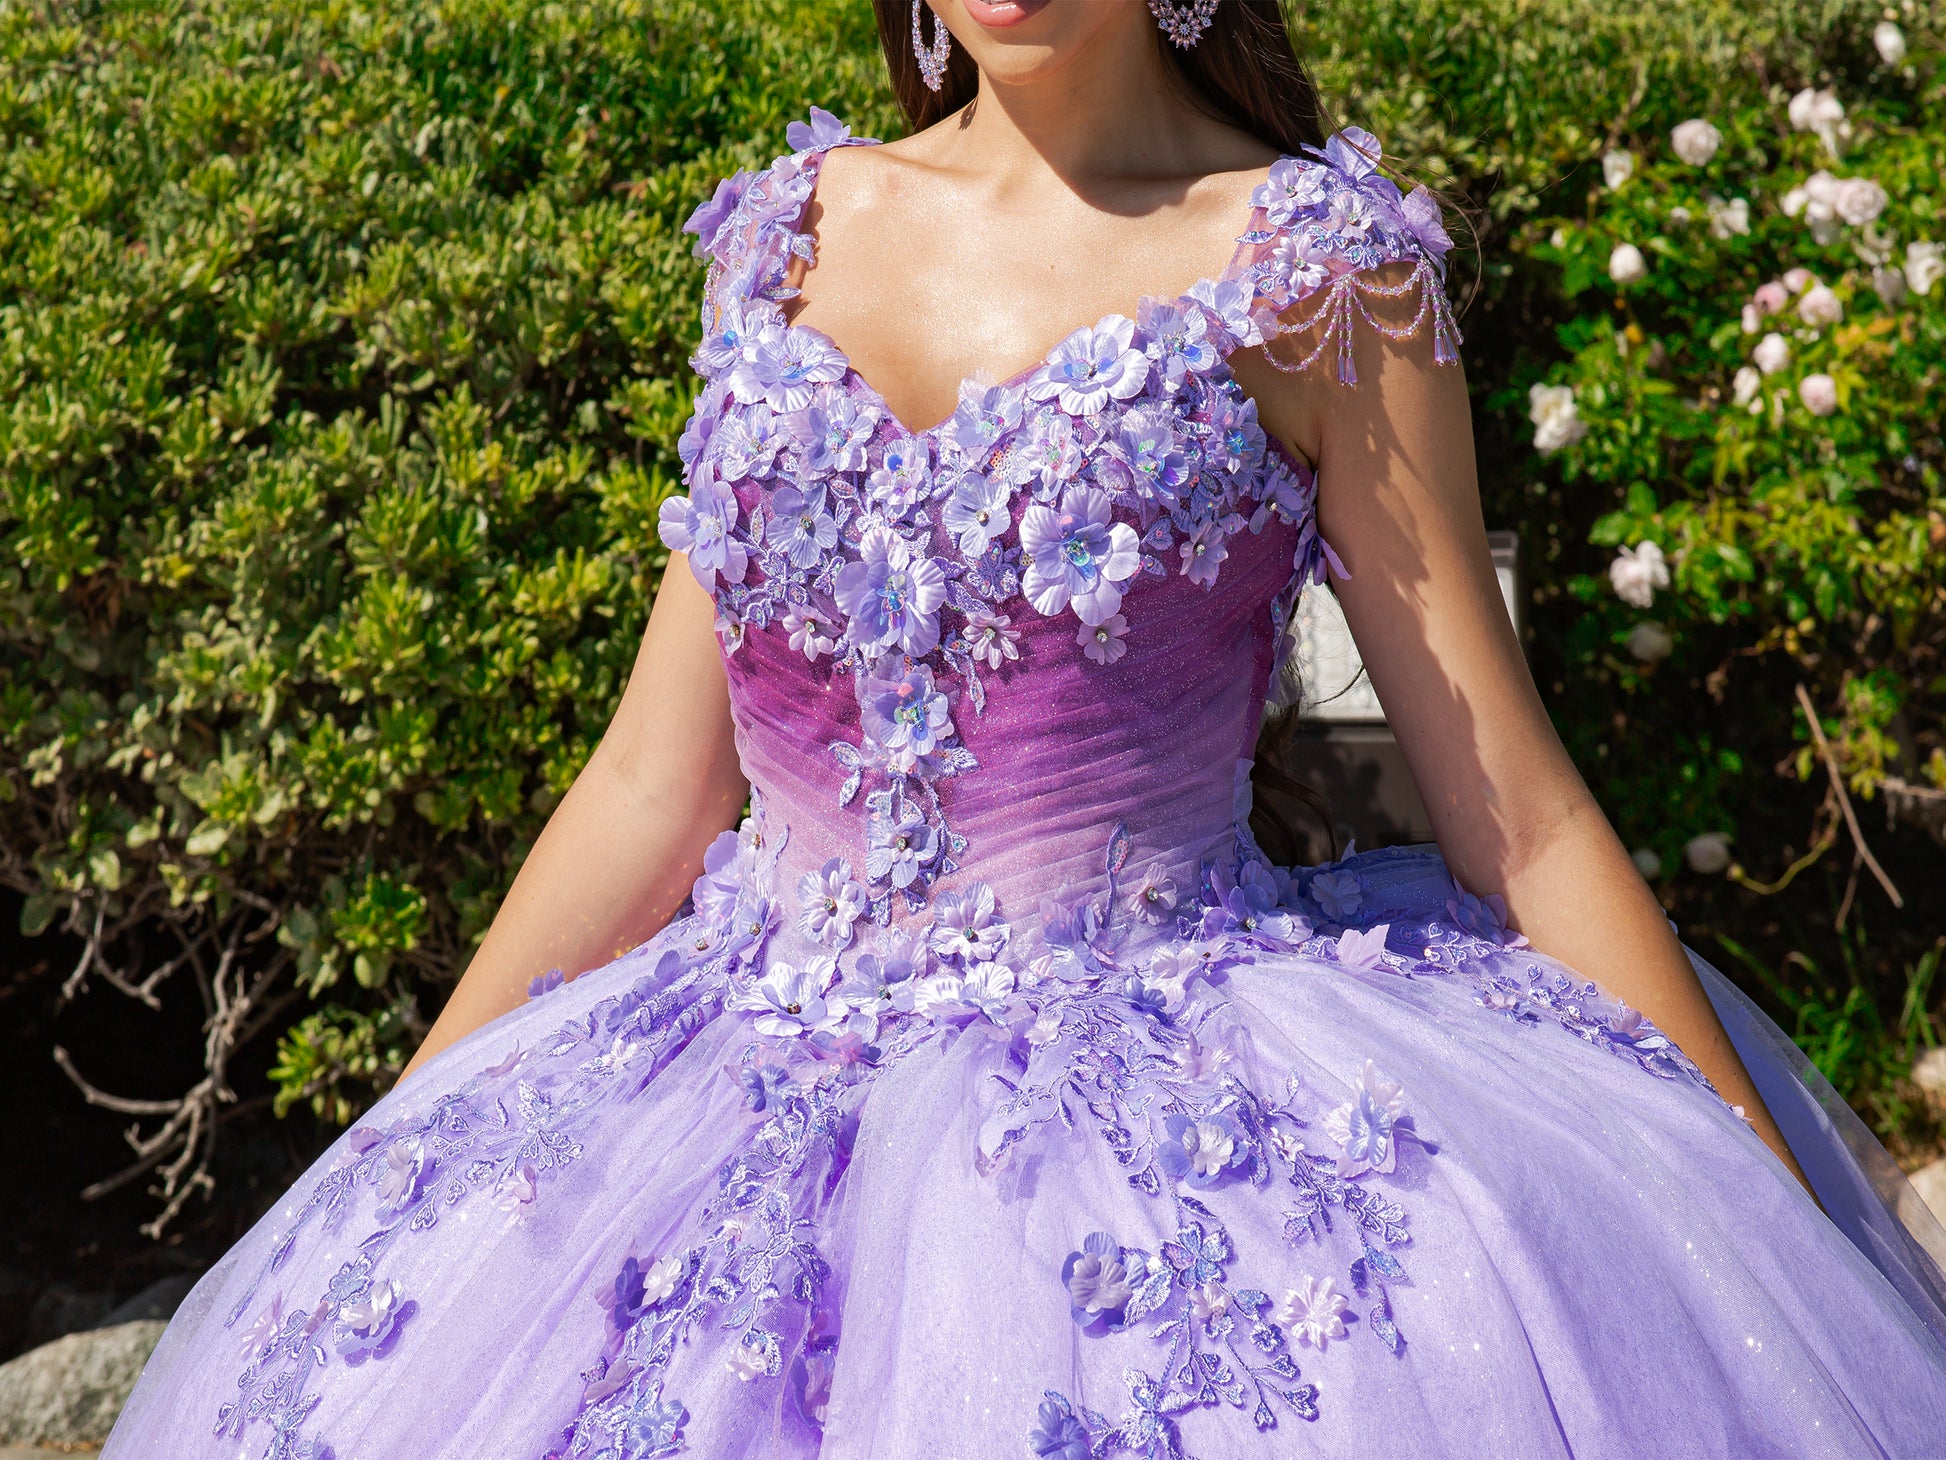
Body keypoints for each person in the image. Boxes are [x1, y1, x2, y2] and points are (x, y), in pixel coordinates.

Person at [105, 2, 1946, 1456]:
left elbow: (1515, 816)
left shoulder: (1316, 269)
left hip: (1168, 1116)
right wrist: (407, 1136)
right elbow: (655, 782)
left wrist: (1763, 1222)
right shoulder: (784, 235)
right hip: (715, 1086)